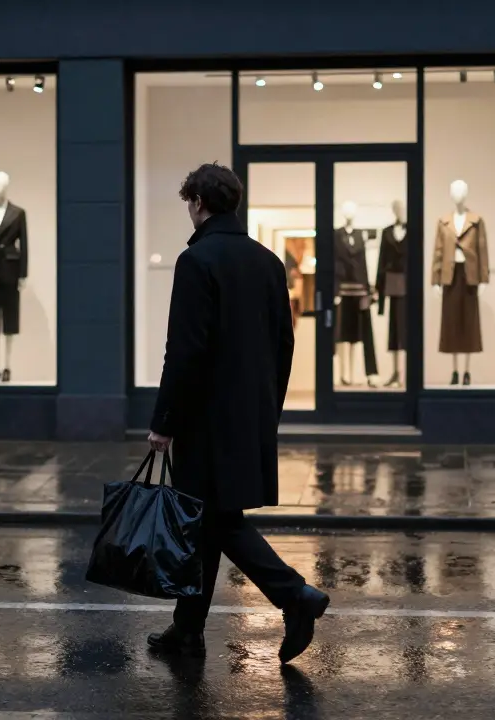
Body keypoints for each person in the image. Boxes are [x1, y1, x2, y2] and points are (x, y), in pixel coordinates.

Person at [146, 163, 330, 664]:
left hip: (203, 422)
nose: (189, 210)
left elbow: (184, 350)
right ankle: (186, 630)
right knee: (207, 521)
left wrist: (164, 421)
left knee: (217, 521)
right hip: (249, 417)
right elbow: (284, 344)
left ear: (200, 203)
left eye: (189, 202)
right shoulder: (269, 262)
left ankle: (296, 596)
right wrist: (267, 407)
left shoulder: (197, 261)